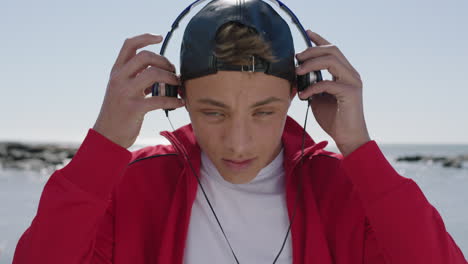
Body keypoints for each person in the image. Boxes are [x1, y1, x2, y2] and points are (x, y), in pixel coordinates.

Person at [12, 0, 467, 263]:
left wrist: (360, 148)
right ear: (178, 97)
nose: (239, 143)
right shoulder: (136, 186)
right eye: (213, 112)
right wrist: (106, 143)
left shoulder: (342, 189)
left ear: (297, 95)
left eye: (264, 112)